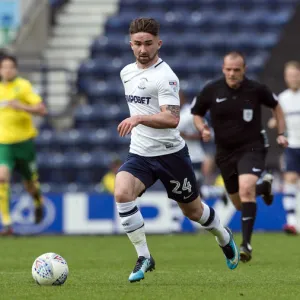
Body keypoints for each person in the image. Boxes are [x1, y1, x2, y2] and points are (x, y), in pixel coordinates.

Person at [115, 18, 239, 283]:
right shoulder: (126, 72)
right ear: (130, 45)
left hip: (170, 154)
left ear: (159, 43)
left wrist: (137, 119)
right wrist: (138, 123)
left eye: (148, 43)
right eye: (137, 44)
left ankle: (223, 235)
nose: (143, 49)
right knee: (122, 192)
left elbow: (171, 119)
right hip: (140, 152)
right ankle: (144, 256)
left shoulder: (166, 77)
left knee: (193, 212)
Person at [191, 51, 288, 262]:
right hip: (225, 152)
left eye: (237, 70)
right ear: (223, 69)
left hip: (252, 147)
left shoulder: (256, 89)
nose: (232, 73)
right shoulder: (212, 90)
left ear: (244, 69)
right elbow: (196, 112)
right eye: (228, 69)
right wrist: (203, 128)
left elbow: (276, 106)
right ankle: (265, 188)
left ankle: (246, 244)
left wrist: (281, 133)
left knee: (246, 190)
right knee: (238, 203)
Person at [0, 55, 47, 235]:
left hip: (24, 143)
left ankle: (38, 202)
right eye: (4, 67)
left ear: (16, 69)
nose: (8, 70)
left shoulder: (23, 86)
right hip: (4, 144)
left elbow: (42, 109)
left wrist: (21, 106)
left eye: (11, 67)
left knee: (30, 184)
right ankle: (6, 223)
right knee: (2, 178)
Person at [268, 61, 300, 235]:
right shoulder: (283, 98)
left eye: (295, 75)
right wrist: (275, 122)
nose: (293, 78)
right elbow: (277, 118)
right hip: (292, 144)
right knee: (290, 179)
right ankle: (292, 222)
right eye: (290, 75)